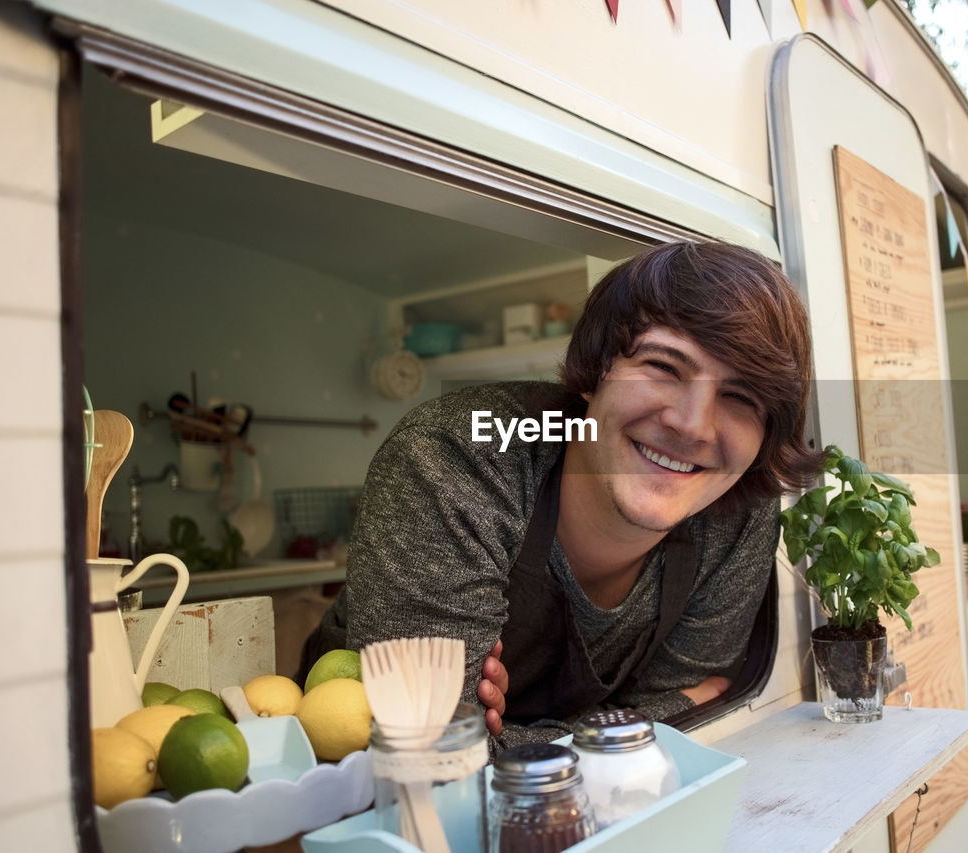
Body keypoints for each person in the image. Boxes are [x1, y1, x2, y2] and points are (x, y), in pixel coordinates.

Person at [301, 240, 822, 749]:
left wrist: (518, 741)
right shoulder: (459, 454)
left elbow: (692, 733)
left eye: (740, 396)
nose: (693, 426)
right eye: (664, 367)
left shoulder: (738, 511)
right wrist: (661, 715)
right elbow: (436, 752)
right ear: (594, 374)